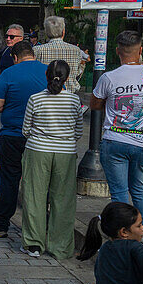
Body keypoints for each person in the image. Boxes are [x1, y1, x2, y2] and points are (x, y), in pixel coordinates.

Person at [91, 30, 143, 239]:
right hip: (142, 142)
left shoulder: (109, 78)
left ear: (118, 51)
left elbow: (95, 104)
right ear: (140, 50)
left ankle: (123, 234)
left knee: (119, 193)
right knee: (138, 190)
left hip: (115, 141)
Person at [0, 40, 47, 238]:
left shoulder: (9, 73)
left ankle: (0, 223)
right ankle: (40, 226)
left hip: (12, 135)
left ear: (15, 58)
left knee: (9, 180)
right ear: (33, 54)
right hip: (40, 138)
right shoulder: (47, 71)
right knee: (39, 182)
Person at [20, 60, 84, 258]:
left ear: (46, 75)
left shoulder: (35, 99)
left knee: (34, 196)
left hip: (37, 150)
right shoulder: (74, 101)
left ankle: (33, 244)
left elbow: (25, 130)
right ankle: (61, 247)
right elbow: (78, 131)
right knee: (63, 200)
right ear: (67, 78)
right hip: (65, 152)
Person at [32, 16, 86, 92]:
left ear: (47, 33)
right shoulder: (76, 50)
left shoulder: (37, 50)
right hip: (70, 95)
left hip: (45, 94)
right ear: (63, 31)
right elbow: (77, 73)